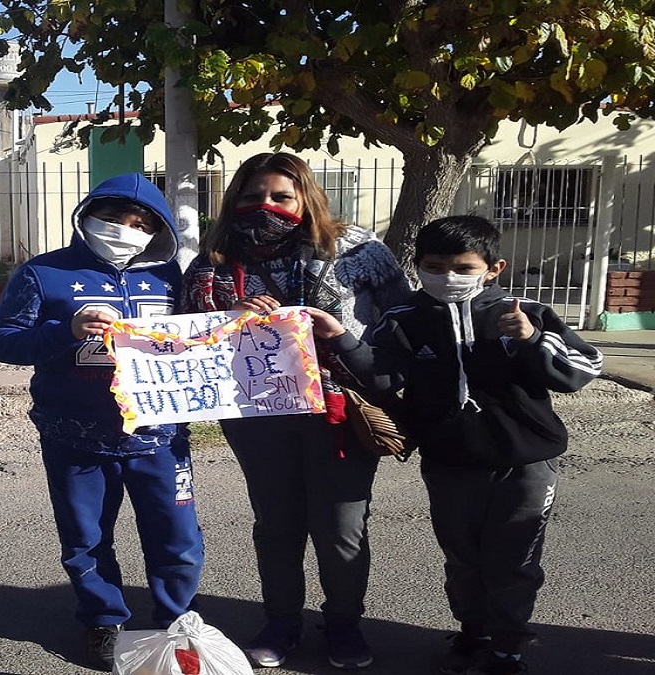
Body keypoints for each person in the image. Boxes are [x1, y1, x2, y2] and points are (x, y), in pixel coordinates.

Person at [306, 215, 603, 675]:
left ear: (493, 268)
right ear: (418, 265)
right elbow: (385, 374)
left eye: (463, 267)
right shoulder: (405, 318)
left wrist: (531, 340)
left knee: (514, 558)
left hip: (525, 461)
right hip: (449, 461)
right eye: (435, 265)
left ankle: (508, 647)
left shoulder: (524, 312)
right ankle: (473, 633)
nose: (448, 277)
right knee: (462, 557)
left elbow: (581, 370)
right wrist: (342, 338)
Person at [181, 152, 411, 670]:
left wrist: (343, 337)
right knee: (277, 523)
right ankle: (282, 622)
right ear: (235, 199)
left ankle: (345, 626)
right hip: (257, 413)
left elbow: (403, 324)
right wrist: (228, 320)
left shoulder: (358, 251)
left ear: (306, 197)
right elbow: (185, 336)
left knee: (340, 526)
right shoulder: (213, 263)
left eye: (281, 196)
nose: (266, 205)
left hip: (340, 410)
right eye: (252, 195)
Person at [0, 173, 204, 672]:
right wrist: (65, 330)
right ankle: (103, 620)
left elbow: (207, 335)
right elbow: (2, 341)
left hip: (160, 438)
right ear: (87, 215)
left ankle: (176, 619)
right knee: (85, 538)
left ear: (158, 229)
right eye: (112, 217)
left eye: (140, 222)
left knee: (178, 537)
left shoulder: (174, 278)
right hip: (74, 435)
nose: (124, 229)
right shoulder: (43, 273)